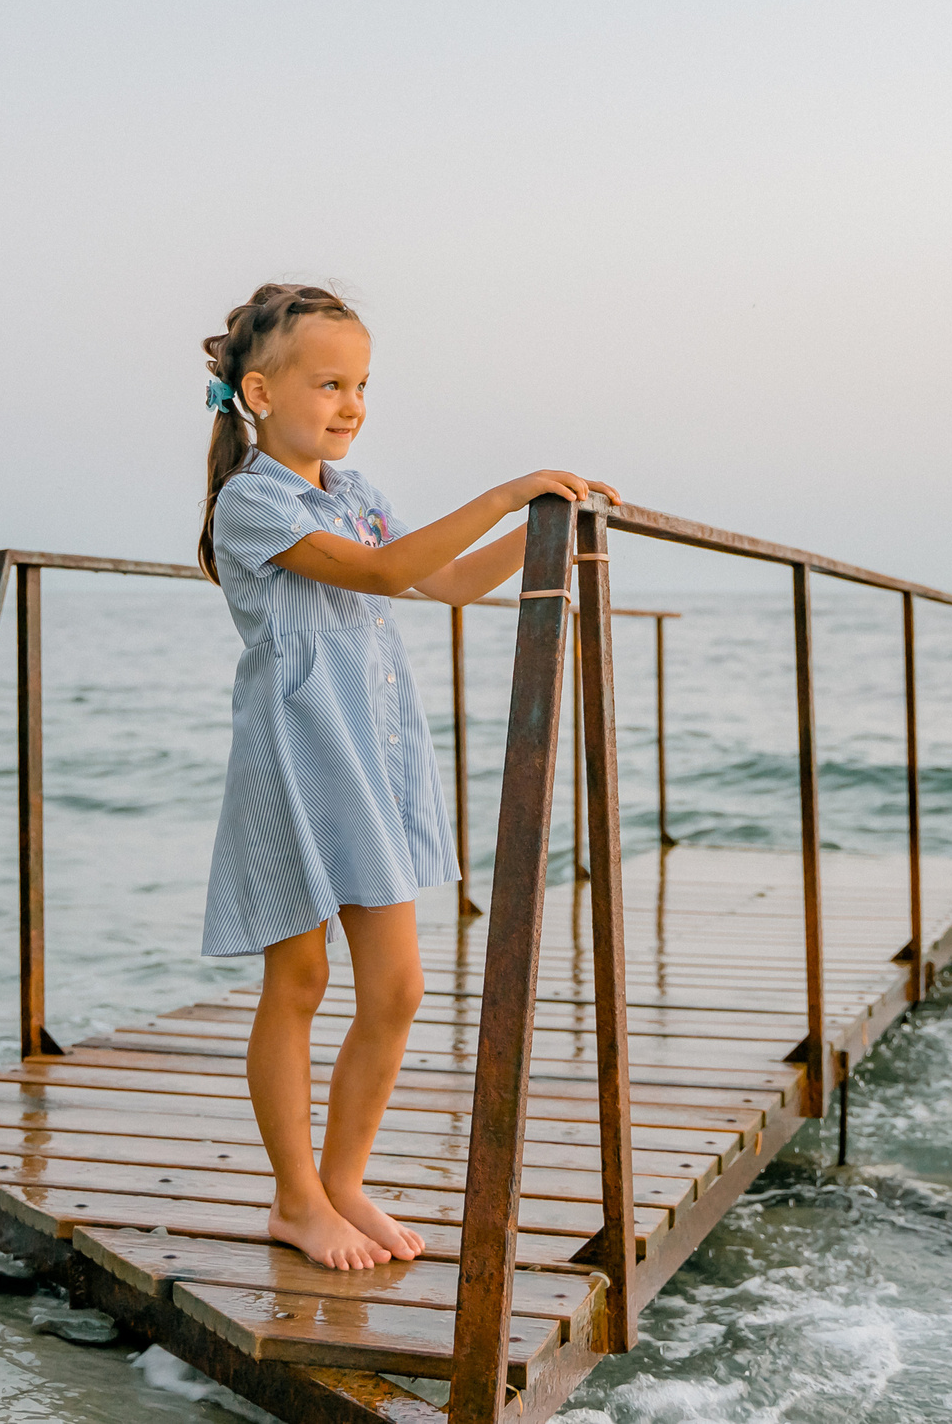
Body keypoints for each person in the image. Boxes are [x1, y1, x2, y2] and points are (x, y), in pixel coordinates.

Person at [196, 283, 619, 1271]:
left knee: (396, 988)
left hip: (372, 761)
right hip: (297, 762)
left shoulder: (356, 494)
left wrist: (554, 523)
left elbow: (450, 581)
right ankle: (296, 1200)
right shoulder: (253, 501)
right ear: (260, 392)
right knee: (299, 979)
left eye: (361, 385)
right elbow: (384, 576)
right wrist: (505, 492)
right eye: (328, 384)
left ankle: (343, 1181)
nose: (350, 404)